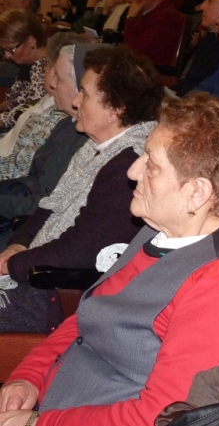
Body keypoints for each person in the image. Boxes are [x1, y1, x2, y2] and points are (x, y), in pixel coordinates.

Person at [0, 93, 219, 426]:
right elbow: (93, 313)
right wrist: (29, 375)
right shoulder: (169, 226)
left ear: (197, 192)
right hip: (57, 409)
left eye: (151, 164)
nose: (132, 171)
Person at [0, 46, 163, 333]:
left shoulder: (130, 164)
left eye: (85, 93)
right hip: (37, 271)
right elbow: (50, 206)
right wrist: (19, 242)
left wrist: (14, 264)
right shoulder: (95, 147)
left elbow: (80, 251)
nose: (76, 101)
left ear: (117, 108)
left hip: (55, 295)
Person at [0, 40, 89, 232]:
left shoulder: (84, 136)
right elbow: (31, 179)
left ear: (82, 87)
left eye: (59, 76)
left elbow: (51, 203)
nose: (51, 83)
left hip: (30, 223)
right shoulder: (68, 123)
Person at [123, 0, 186, 68]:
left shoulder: (167, 16)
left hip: (151, 73)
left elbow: (137, 53)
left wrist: (130, 18)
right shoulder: (146, 12)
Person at [0, 9, 46, 130]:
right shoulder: (28, 63)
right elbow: (17, 102)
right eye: (3, 50)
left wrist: (2, 119)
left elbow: (33, 110)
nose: (7, 55)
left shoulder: (44, 68)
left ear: (31, 40)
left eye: (11, 49)